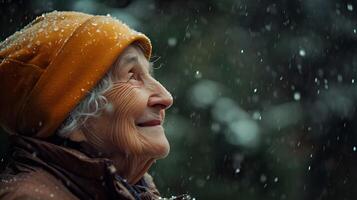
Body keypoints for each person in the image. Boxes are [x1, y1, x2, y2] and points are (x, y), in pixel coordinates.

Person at [0, 11, 176, 200]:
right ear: (74, 117)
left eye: (149, 74)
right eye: (132, 76)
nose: (166, 97)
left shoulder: (132, 189)